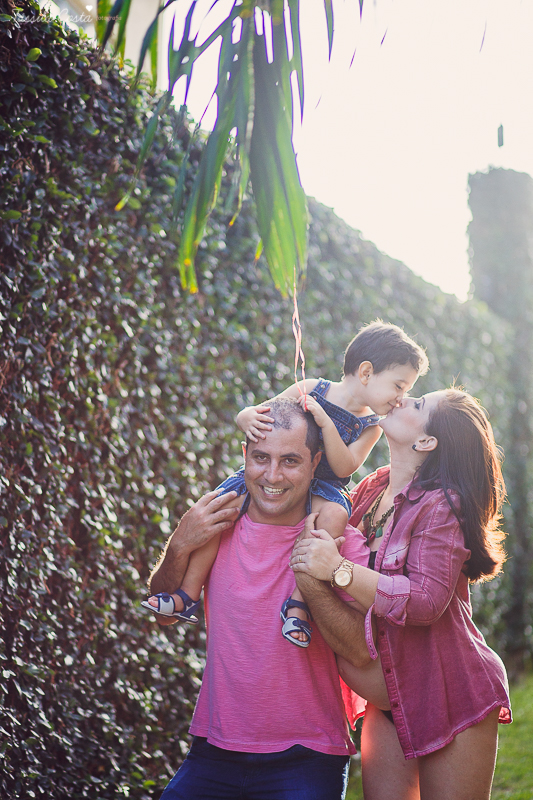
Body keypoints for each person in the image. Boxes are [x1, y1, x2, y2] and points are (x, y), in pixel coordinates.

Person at [143, 321, 428, 647]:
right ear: (366, 372)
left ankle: (298, 605)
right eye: (399, 386)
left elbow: (345, 465)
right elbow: (264, 413)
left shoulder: (370, 425)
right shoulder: (312, 387)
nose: (400, 398)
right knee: (219, 511)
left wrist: (323, 422)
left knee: (334, 518)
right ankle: (186, 594)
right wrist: (246, 416)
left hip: (326, 488)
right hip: (287, 477)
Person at [145, 397, 373, 800]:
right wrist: (179, 544)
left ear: (316, 462)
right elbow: (164, 615)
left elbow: (359, 650)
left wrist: (314, 580)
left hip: (307, 755)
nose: (272, 475)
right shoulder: (216, 527)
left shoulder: (338, 544)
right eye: (261, 458)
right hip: (213, 749)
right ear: (245, 455)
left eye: (290, 460)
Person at [291, 388, 512, 800]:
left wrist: (336, 569)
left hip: (450, 695)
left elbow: (425, 600)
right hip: (390, 699)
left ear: (426, 441)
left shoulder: (443, 504)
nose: (402, 398)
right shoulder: (372, 490)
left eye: (418, 404)